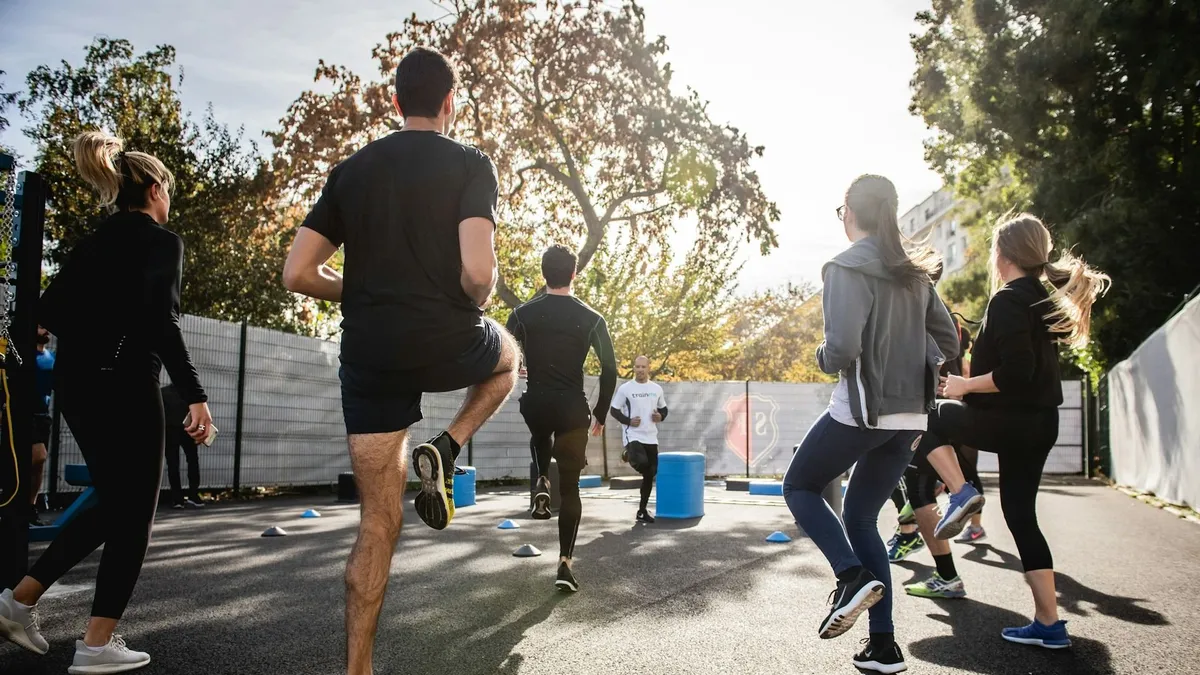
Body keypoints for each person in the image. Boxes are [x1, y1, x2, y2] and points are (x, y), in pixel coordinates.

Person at [281, 47, 519, 675]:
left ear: (395, 102)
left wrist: (360, 289)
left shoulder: (351, 171)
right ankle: (448, 445)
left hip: (371, 356)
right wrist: (467, 299)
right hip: (446, 339)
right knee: (508, 361)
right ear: (449, 103)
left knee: (376, 523)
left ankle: (357, 667)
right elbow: (478, 273)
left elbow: (298, 273)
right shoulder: (471, 163)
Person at [0, 130, 212, 673]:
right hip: (126, 385)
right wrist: (195, 395)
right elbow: (162, 322)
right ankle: (95, 645)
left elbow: (49, 310)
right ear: (156, 190)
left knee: (115, 503)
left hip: (78, 387)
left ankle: (19, 601)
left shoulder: (95, 243)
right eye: (169, 190)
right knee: (134, 514)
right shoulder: (162, 242)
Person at [780, 175, 959, 674]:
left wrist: (821, 355)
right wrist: (914, 362)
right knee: (860, 518)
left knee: (798, 485)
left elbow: (840, 349)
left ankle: (850, 575)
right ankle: (883, 646)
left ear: (851, 213)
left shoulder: (844, 266)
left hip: (863, 410)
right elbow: (949, 341)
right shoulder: (916, 275)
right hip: (911, 417)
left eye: (842, 212)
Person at [918, 213, 1110, 649]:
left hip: (1012, 421)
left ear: (1001, 254)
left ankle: (961, 492)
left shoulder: (1007, 299)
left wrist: (965, 386)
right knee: (1022, 517)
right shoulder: (1041, 297)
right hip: (1040, 423)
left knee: (927, 418)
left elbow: (1017, 372)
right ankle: (1048, 623)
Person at [506, 244, 617, 593]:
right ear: (573, 273)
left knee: (540, 431)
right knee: (571, 489)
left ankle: (541, 478)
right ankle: (565, 564)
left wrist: (519, 367)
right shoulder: (592, 318)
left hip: (536, 402)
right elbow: (610, 369)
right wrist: (601, 412)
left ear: (543, 273)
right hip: (572, 408)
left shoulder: (522, 313)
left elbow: (504, 354)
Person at [894, 264, 979, 599]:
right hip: (948, 408)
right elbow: (955, 352)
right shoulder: (946, 314)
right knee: (917, 487)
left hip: (931, 409)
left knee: (918, 489)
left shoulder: (919, 308)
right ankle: (914, 528)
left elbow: (947, 353)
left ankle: (945, 574)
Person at [609, 356, 668, 523]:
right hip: (633, 435)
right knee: (642, 463)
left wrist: (660, 416)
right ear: (634, 368)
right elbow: (614, 410)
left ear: (649, 368)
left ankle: (642, 511)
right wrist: (628, 421)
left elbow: (664, 409)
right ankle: (628, 453)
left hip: (651, 436)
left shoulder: (656, 389)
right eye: (637, 367)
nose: (640, 370)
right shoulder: (625, 389)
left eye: (643, 367)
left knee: (651, 473)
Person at [161, 383, 204, 509]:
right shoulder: (190, 392)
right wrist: (201, 430)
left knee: (173, 465)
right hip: (188, 431)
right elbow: (199, 414)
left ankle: (177, 499)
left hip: (170, 432)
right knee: (192, 461)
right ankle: (193, 495)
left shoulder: (163, 392)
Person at [29, 326, 55, 526]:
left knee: (38, 466)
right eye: (40, 327)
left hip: (43, 416)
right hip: (24, 415)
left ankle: (30, 508)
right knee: (38, 456)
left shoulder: (51, 357)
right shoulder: (22, 356)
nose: (46, 330)